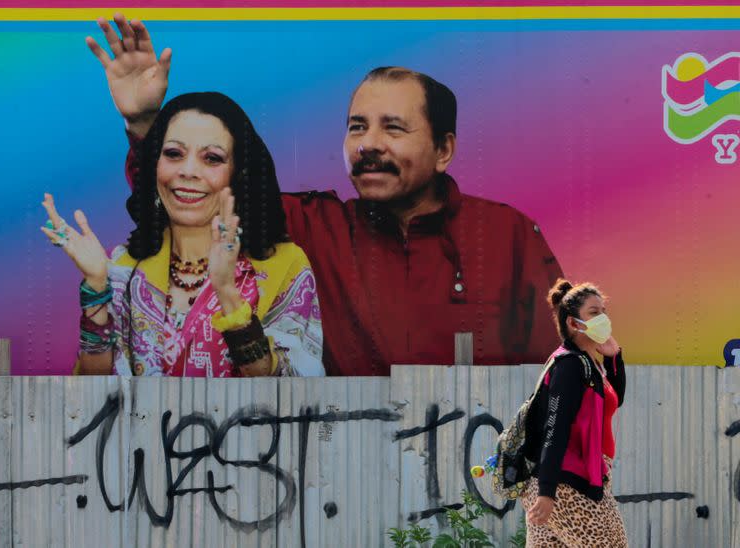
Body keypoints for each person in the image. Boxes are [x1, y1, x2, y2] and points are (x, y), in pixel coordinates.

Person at [88, 14, 563, 376]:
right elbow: (197, 195)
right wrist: (144, 125)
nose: (369, 144)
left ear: (443, 149)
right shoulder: (316, 228)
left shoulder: (505, 235)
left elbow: (567, 374)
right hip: (340, 480)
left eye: (392, 128)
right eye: (357, 127)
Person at [41, 91, 324, 377]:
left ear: (239, 174)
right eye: (174, 154)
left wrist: (227, 293)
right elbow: (94, 394)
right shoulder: (124, 268)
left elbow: (294, 394)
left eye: (212, 158)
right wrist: (96, 288)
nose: (188, 171)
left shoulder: (283, 265)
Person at [521, 279, 627, 547]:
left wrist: (614, 358)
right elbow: (555, 429)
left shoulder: (586, 362)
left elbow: (613, 401)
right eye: (594, 312)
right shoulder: (570, 366)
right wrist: (547, 492)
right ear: (573, 323)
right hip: (567, 484)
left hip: (564, 480)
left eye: (604, 311)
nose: (603, 318)